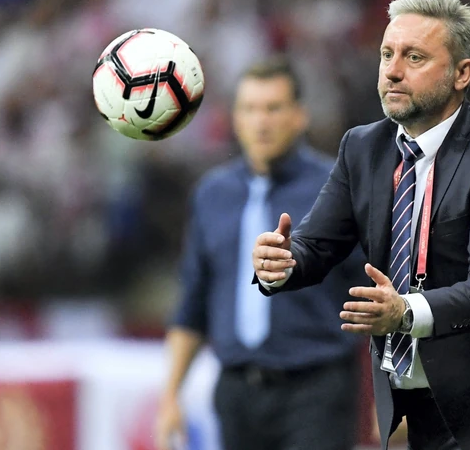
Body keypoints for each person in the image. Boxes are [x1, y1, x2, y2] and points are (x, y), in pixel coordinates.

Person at [251, 0, 470, 450]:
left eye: (414, 57)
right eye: (386, 54)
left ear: (462, 73)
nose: (392, 71)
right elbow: (316, 245)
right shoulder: (361, 148)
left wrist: (405, 312)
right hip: (418, 408)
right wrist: (281, 263)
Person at [156, 58, 366, 450]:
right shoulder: (212, 194)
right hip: (236, 392)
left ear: (300, 115)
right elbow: (193, 303)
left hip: (317, 389)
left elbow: (373, 291)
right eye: (250, 109)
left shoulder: (338, 188)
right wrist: (170, 395)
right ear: (235, 118)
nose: (261, 122)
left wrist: (397, 390)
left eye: (273, 108)